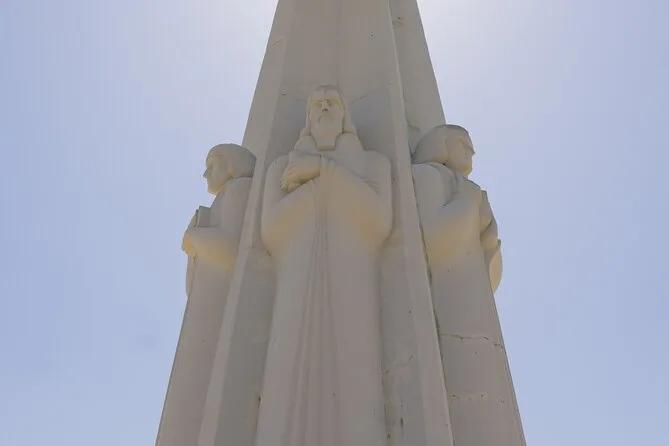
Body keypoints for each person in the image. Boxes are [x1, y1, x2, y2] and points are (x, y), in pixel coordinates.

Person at [256, 86, 392, 446]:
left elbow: (378, 220)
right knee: (288, 373)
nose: (325, 107)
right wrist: (320, 189)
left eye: (333, 102)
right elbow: (271, 229)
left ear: (346, 115)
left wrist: (321, 173)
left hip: (354, 279)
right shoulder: (281, 168)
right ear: (307, 117)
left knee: (354, 371)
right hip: (294, 281)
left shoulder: (373, 164)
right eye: (317, 103)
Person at [412, 125, 524, 446]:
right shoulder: (428, 176)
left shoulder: (465, 187)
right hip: (447, 290)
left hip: (473, 291)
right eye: (462, 143)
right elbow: (435, 238)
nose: (471, 152)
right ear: (441, 144)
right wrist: (467, 201)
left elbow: (489, 263)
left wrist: (488, 233)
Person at [157, 143, 255, 446]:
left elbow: (230, 247)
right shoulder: (226, 196)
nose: (205, 174)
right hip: (207, 296)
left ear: (231, 164)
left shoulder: (238, 190)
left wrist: (194, 236)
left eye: (212, 165)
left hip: (219, 298)